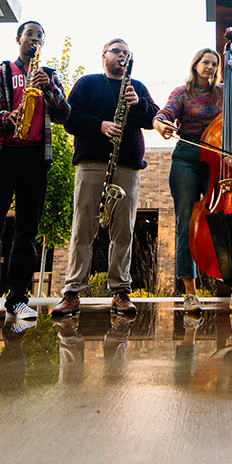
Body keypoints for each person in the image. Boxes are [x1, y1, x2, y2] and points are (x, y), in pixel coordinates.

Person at [0, 20, 69, 327]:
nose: (35, 39)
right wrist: (5, 116)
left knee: (27, 231)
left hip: (37, 157)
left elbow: (65, 114)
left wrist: (48, 86)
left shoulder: (49, 75)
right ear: (18, 39)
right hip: (1, 155)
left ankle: (18, 299)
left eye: (40, 35)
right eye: (30, 34)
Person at [51, 38, 159, 317]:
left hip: (127, 168)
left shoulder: (138, 87)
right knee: (83, 229)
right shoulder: (87, 83)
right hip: (92, 165)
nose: (122, 55)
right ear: (104, 56)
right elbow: (69, 118)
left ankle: (120, 292)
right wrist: (99, 125)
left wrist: (139, 104)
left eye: (126, 52)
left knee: (123, 231)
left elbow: (153, 119)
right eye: (117, 51)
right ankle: (72, 292)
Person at [154, 44, 232, 315]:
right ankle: (190, 293)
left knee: (225, 222)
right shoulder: (182, 93)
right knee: (185, 223)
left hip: (217, 161)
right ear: (195, 65)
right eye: (205, 62)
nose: (210, 67)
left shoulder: (224, 91)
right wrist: (160, 124)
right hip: (187, 159)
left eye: (214, 63)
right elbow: (164, 114)